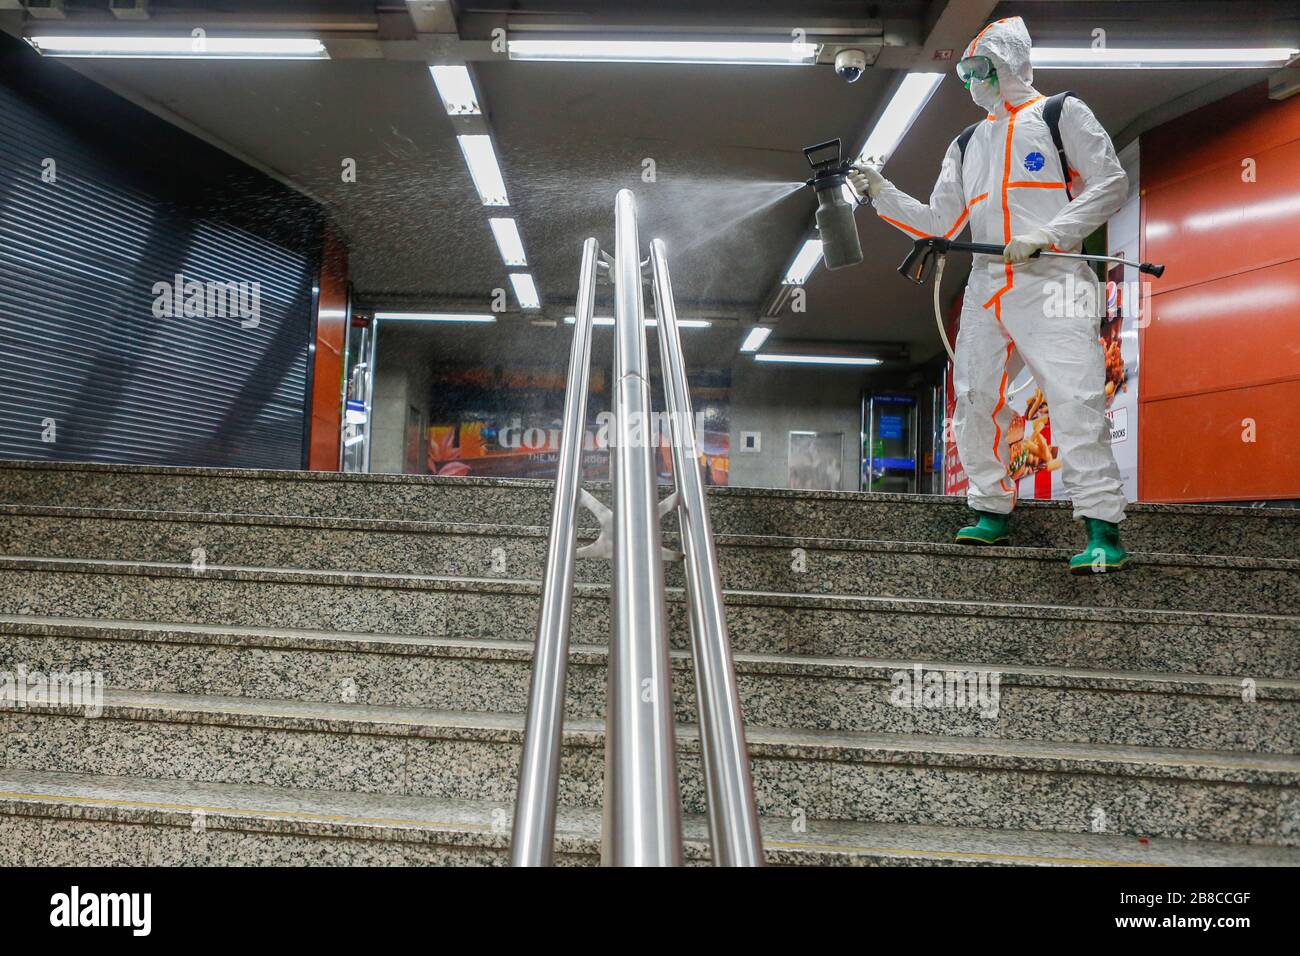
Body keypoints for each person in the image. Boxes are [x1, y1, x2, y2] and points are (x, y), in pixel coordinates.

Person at [849, 16, 1131, 574]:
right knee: (975, 395)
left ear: (1005, 65)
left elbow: (1111, 182)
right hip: (986, 282)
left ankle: (1102, 527)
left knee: (1075, 398)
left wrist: (1049, 234)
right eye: (964, 74)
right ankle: (990, 508)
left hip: (1052, 277)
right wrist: (882, 193)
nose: (970, 83)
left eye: (977, 70)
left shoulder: (1060, 114)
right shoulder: (967, 142)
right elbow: (939, 221)